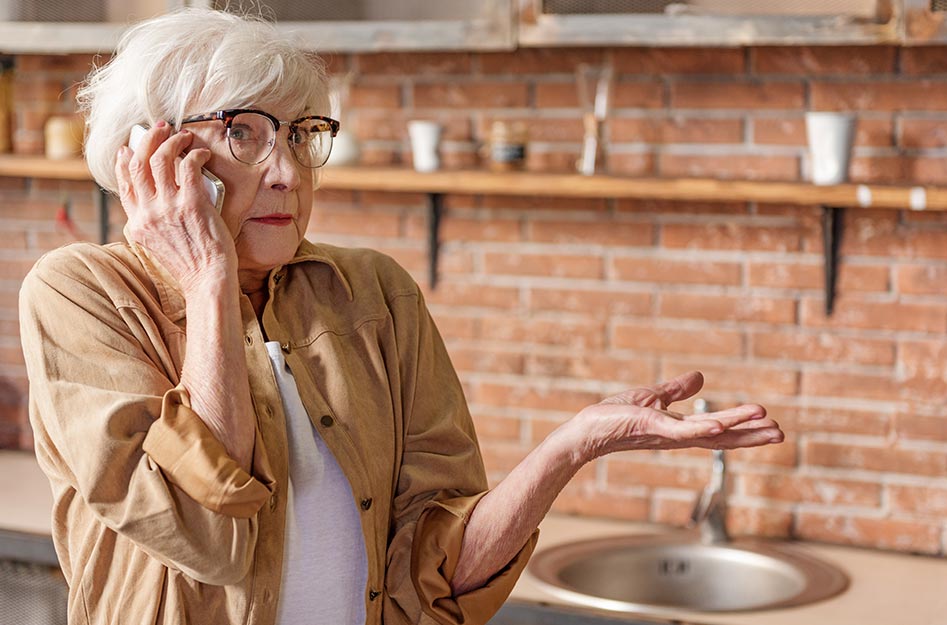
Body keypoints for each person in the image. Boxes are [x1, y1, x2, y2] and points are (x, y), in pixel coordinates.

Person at [18, 8, 784, 625]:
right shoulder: (81, 295)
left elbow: (436, 574)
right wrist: (208, 275)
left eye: (301, 134)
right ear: (154, 152)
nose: (286, 172)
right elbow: (208, 537)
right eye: (244, 132)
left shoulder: (375, 293)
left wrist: (570, 446)